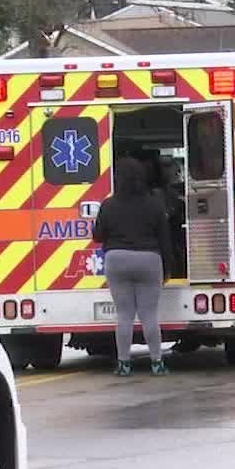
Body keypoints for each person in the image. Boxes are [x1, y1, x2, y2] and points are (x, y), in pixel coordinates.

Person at [93, 158, 174, 376]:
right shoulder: (154, 204)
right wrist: (167, 267)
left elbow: (97, 236)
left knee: (124, 315)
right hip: (149, 260)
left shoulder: (108, 205)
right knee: (149, 315)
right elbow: (165, 239)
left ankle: (123, 364)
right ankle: (157, 363)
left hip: (117, 260)